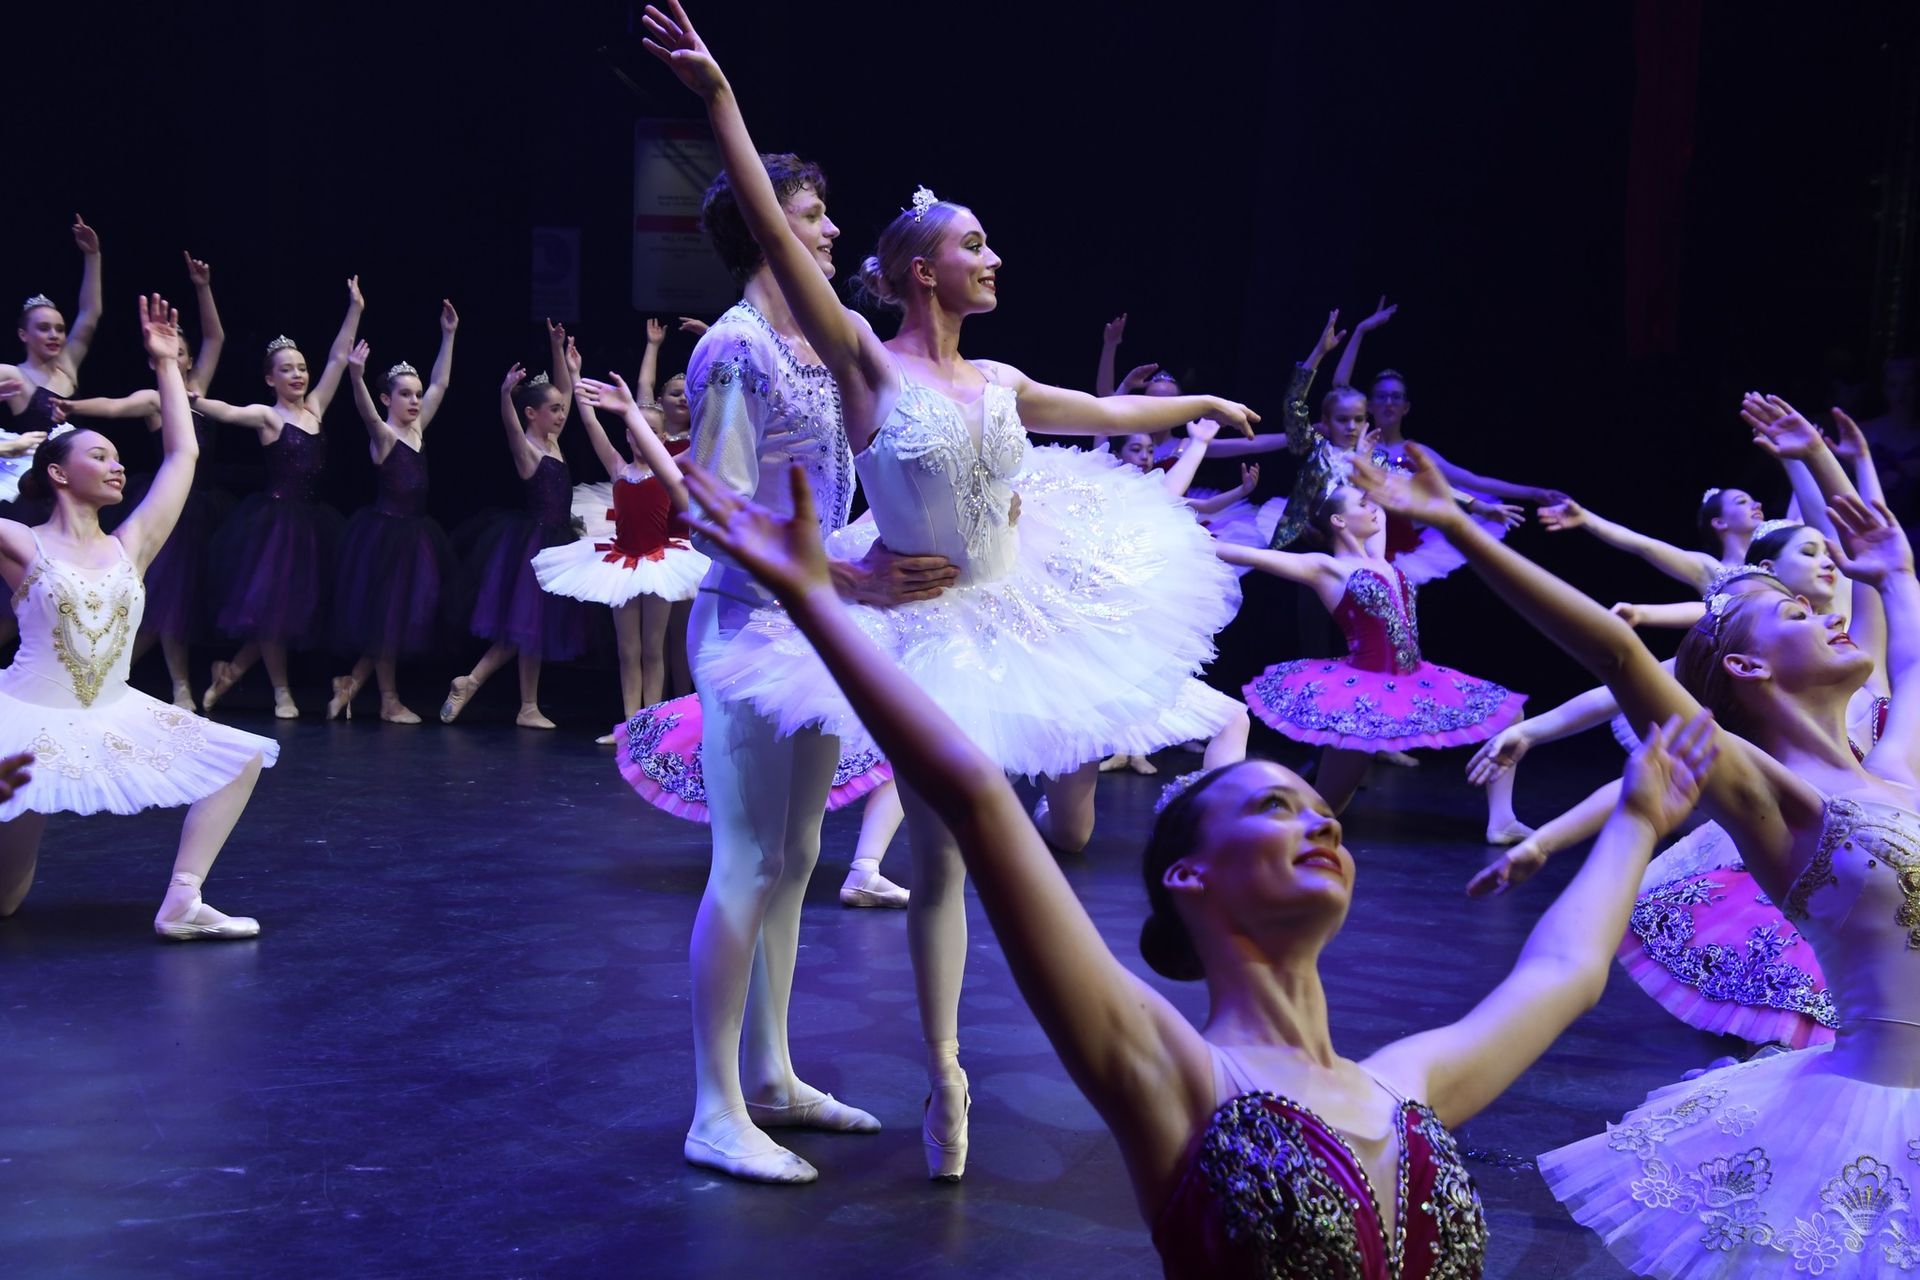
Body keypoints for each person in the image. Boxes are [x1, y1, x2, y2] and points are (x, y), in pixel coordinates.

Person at [682, 456, 1719, 1278]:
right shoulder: (1173, 1072)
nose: (1321, 821)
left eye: (1322, 809)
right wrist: (820, 601)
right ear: (1190, 874)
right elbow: (976, 793)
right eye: (1276, 804)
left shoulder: (1408, 1084)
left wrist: (1635, 817)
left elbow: (1563, 974)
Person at [647, 0, 1256, 1183]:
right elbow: (719, 516)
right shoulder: (768, 345)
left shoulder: (858, 360)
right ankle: (716, 1102)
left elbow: (1081, 416)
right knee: (749, 858)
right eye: (808, 218)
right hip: (773, 618)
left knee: (801, 853)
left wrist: (1191, 405)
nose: (818, 233)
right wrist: (720, 99)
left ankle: (771, 1069)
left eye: (824, 219)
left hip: (844, 619)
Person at [1350, 402, 1920, 1277]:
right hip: (1878, 1117)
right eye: (1798, 616)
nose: (1828, 612)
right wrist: (1457, 526)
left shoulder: (1897, 767)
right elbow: (1618, 656)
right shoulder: (1769, 794)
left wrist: (1898, 572)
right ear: (1745, 667)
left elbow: (1912, 658)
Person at [0, 295, 275, 938]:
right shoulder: (21, 542)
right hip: (27, 717)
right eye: (98, 455)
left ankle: (183, 899)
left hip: (113, 707)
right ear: (58, 474)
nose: (117, 463)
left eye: (118, 456)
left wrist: (165, 366)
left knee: (240, 758)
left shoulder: (134, 543)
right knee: (6, 903)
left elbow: (183, 457)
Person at [1220, 484, 1527, 826]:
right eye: (1362, 504)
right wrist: (1175, 531)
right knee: (1323, 812)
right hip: (1362, 695)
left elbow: (1388, 486)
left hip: (1417, 678)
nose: (1372, 508)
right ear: (1338, 520)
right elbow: (1244, 555)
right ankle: (1252, 822)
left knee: (1511, 715)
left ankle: (1502, 819)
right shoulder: (1326, 568)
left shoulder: (1378, 555)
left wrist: (1368, 464)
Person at [55, 251, 227, 709]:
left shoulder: (197, 393)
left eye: (185, 355)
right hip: (167, 507)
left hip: (201, 507)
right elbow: (114, 405)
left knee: (181, 602)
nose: (183, 360)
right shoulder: (156, 400)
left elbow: (216, 336)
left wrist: (202, 287)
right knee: (166, 600)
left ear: (186, 360)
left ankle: (106, 667)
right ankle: (179, 685)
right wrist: (74, 407)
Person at [196, 277, 364, 718]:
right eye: (287, 369)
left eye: (301, 368)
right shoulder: (267, 416)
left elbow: (338, 356)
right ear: (270, 378)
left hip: (311, 525)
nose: (297, 375)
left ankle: (229, 672)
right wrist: (188, 397)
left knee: (286, 614)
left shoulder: (316, 409)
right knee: (273, 610)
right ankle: (281, 692)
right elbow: (226, 411)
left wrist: (356, 308)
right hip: (275, 526)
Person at [327, 301, 459, 723]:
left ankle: (351, 685)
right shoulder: (384, 437)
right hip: (384, 538)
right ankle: (387, 700)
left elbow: (441, 382)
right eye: (406, 394)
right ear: (388, 398)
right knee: (387, 619)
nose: (416, 400)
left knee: (399, 620)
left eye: (417, 395)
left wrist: (449, 335)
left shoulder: (419, 429)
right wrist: (355, 375)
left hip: (416, 537)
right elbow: (365, 412)